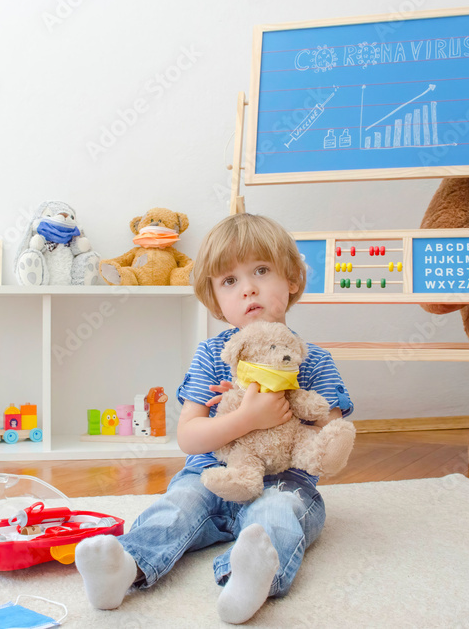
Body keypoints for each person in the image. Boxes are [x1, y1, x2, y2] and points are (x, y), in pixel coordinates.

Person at [75, 212, 353, 624]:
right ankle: (124, 567)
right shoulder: (212, 355)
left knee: (277, 516)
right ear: (216, 301)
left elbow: (328, 439)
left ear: (292, 279)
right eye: (230, 281)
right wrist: (245, 419)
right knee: (176, 507)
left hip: (282, 481)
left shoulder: (313, 359)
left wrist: (291, 416)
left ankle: (250, 579)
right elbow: (189, 438)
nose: (249, 289)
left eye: (261, 270)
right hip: (208, 476)